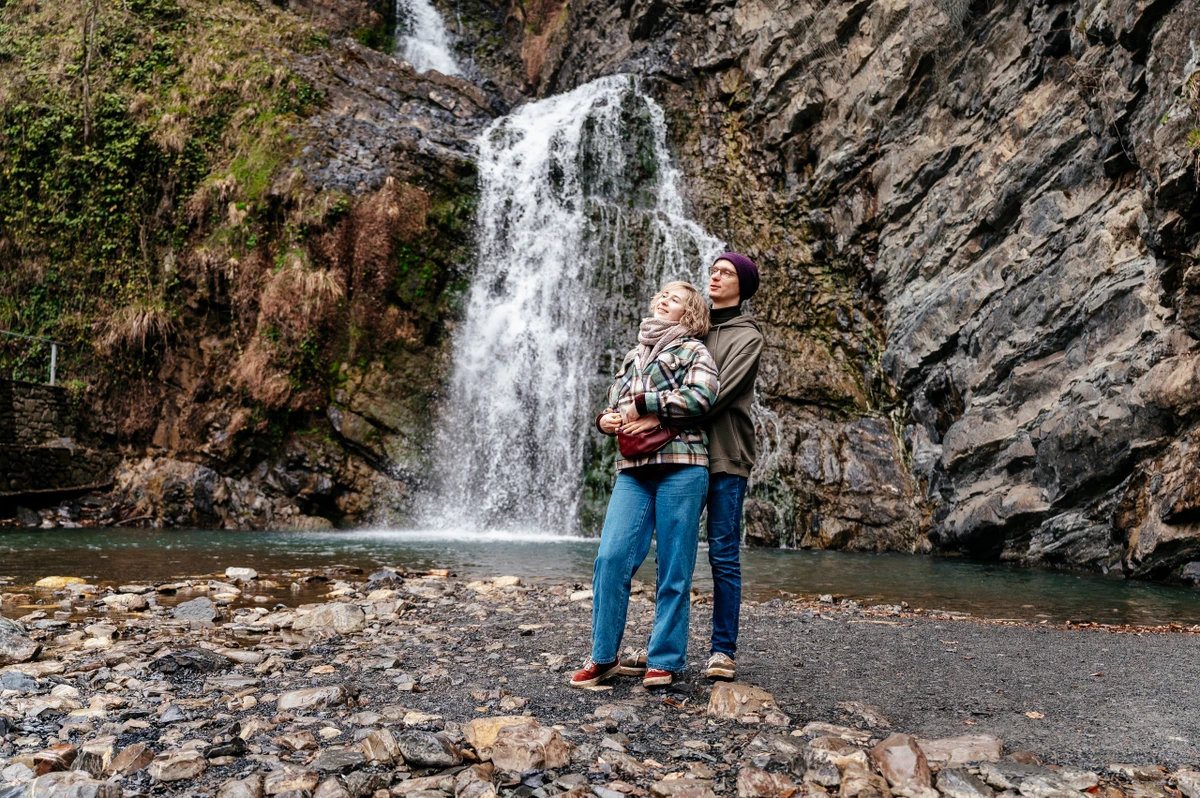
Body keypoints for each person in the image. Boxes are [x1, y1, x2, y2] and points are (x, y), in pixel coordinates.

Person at [617, 253, 763, 682]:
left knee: (722, 552)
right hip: (677, 453)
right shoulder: (687, 329)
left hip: (723, 455)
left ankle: (722, 650)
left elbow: (713, 396)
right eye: (714, 271)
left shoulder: (747, 337)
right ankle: (661, 646)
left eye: (727, 273)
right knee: (672, 554)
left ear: (744, 286)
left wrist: (649, 412)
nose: (715, 276)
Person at [570, 281, 719, 690]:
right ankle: (604, 657)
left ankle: (664, 659)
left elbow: (704, 396)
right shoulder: (635, 354)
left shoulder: (694, 351)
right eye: (662, 295)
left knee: (674, 565)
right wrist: (607, 420)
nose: (664, 299)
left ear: (689, 314)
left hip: (683, 464)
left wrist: (647, 404)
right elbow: (616, 400)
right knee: (611, 558)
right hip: (634, 466)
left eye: (675, 298)